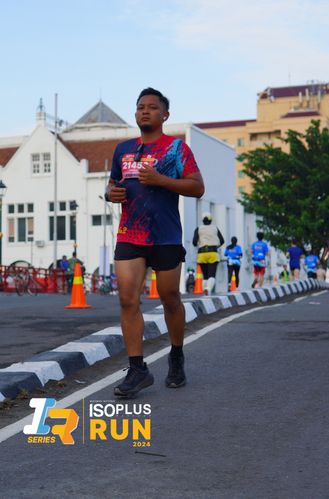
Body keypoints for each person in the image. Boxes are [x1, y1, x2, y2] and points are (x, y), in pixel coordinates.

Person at [106, 87, 204, 398]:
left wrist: (161, 181)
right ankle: (137, 368)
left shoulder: (176, 149)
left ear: (165, 115)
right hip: (130, 234)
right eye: (140, 107)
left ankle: (176, 355)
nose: (145, 111)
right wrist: (110, 193)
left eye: (152, 107)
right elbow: (112, 183)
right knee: (127, 300)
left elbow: (197, 187)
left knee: (170, 297)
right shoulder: (123, 150)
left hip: (165, 235)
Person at [192, 212, 224, 294]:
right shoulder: (215, 228)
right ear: (211, 220)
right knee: (212, 275)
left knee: (205, 275)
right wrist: (216, 246)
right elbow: (222, 241)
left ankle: (205, 290)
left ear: (202, 220)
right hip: (213, 253)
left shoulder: (198, 228)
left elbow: (194, 242)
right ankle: (208, 289)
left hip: (201, 254)